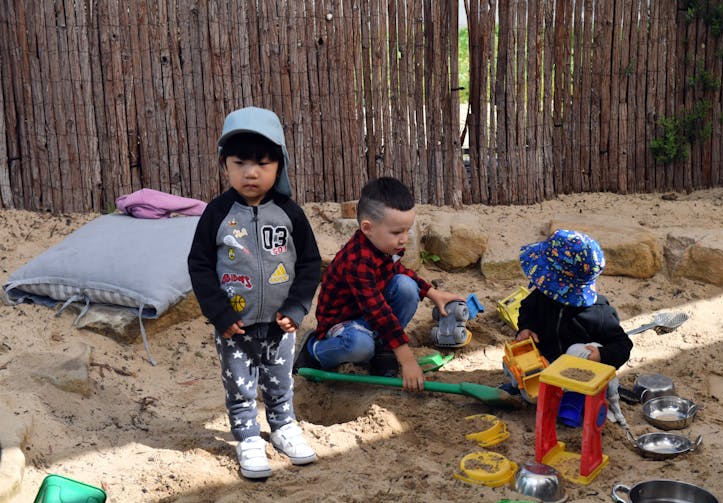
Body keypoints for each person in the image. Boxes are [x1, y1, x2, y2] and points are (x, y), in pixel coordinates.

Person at [187, 106, 321, 479]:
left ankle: (282, 427)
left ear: (279, 165)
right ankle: (247, 436)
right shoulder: (217, 213)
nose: (251, 172)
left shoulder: (290, 213)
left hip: (281, 326)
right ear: (223, 165)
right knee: (240, 386)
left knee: (280, 382)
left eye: (262, 163)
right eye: (240, 162)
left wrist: (296, 308)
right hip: (235, 327)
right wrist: (221, 315)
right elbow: (199, 266)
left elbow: (310, 264)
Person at [294, 177, 463, 392]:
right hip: (342, 323)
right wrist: (408, 360)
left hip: (368, 318)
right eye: (396, 232)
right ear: (367, 228)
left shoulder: (385, 246)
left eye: (407, 230)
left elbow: (398, 271)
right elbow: (378, 311)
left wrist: (431, 292)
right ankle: (314, 350)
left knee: (406, 286)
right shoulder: (357, 261)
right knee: (360, 346)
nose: (404, 239)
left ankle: (383, 348)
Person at [501, 229, 632, 426]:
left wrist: (600, 355)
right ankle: (521, 387)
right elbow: (526, 309)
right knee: (512, 360)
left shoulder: (598, 312)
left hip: (575, 373)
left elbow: (623, 345)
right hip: (545, 362)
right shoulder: (542, 295)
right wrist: (526, 328)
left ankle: (577, 402)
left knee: (577, 351)